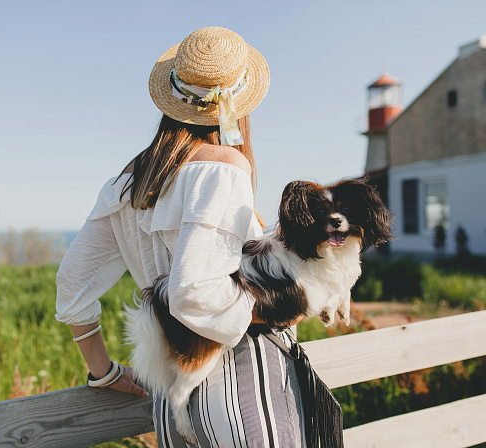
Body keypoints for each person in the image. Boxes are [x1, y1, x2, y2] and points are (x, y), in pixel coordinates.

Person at [56, 27, 306, 447]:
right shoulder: (225, 167)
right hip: (243, 383)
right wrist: (279, 308)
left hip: (171, 399)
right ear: (238, 105)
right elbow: (193, 293)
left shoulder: (126, 182)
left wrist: (104, 371)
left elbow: (71, 282)